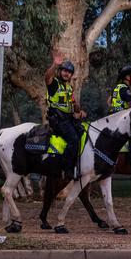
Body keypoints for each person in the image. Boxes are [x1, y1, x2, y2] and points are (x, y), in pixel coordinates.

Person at [45, 51, 86, 180]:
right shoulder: (54, 84)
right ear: (60, 71)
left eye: (69, 72)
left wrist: (79, 111)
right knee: (73, 139)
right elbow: (47, 77)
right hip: (57, 120)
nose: (66, 73)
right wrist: (55, 65)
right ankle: (66, 168)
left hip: (67, 119)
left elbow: (73, 104)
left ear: (71, 75)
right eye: (64, 70)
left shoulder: (69, 88)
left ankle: (77, 165)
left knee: (82, 132)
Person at [108, 64, 131, 173]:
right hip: (120, 120)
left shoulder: (117, 87)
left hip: (113, 117)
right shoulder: (124, 89)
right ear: (127, 77)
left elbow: (108, 102)